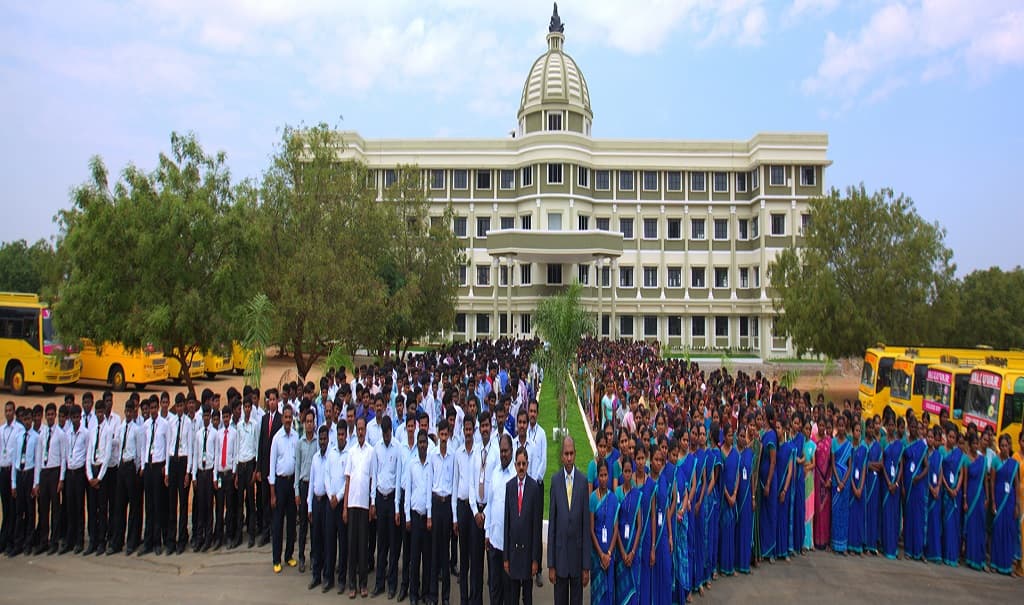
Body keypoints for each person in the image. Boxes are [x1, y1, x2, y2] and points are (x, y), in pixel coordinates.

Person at [548, 436, 591, 605]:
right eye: (566, 454)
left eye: (571, 453)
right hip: (559, 560)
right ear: (561, 455)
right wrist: (551, 564)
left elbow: (585, 525)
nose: (569, 457)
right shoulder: (555, 481)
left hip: (577, 560)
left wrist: (586, 566)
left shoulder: (582, 481)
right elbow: (552, 524)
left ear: (575, 454)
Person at [505, 446, 542, 605]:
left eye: (524, 464)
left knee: (527, 597)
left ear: (528, 464)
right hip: (513, 553)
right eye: (518, 464)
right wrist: (506, 557)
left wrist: (535, 560)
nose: (521, 467)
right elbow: (507, 524)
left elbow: (537, 528)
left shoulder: (534, 488)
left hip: (528, 555)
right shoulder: (510, 486)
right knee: (513, 597)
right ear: (515, 465)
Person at [371, 415, 402, 600]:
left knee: (393, 544)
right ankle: (379, 583)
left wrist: (397, 507)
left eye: (388, 433)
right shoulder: (376, 449)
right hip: (380, 500)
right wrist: (373, 503)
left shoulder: (397, 448)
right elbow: (374, 477)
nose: (386, 437)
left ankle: (392, 584)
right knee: (381, 544)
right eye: (384, 434)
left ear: (391, 430)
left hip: (392, 500)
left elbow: (398, 480)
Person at [344, 416, 375, 598]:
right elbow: (347, 480)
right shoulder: (351, 452)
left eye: (363, 429)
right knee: (351, 546)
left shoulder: (370, 452)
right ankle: (352, 584)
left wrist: (372, 504)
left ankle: (363, 583)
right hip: (352, 504)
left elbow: (372, 480)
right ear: (355, 430)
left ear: (366, 430)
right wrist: (345, 508)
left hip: (364, 505)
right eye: (359, 429)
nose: (361, 432)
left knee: (363, 546)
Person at [429, 419, 456, 605]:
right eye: (442, 435)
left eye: (446, 435)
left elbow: (454, 487)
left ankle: (445, 596)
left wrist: (454, 517)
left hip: (447, 506)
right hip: (436, 504)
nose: (444, 438)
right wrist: (429, 515)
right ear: (438, 435)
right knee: (434, 552)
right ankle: (432, 595)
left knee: (445, 553)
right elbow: (429, 486)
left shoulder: (453, 456)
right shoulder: (432, 455)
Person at [34, 402, 66, 555]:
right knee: (43, 508)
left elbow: (63, 458)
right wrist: (37, 481)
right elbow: (39, 457)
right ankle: (43, 541)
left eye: (53, 414)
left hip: (55, 471)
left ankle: (54, 541)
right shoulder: (43, 434)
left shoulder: (60, 433)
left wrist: (61, 479)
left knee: (55, 508)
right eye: (48, 415)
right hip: (44, 472)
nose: (50, 417)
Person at [486, 434, 515, 605]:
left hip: (509, 546)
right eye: (501, 451)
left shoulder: (515, 475)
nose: (503, 454)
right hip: (495, 542)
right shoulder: (495, 474)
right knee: (494, 586)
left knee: (509, 589)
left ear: (511, 451)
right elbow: (489, 504)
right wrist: (487, 534)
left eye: (506, 451)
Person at [269, 405, 298, 574]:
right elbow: (272, 467)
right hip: (279, 484)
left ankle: (289, 555)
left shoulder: (295, 437)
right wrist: (272, 493)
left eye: (290, 417)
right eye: (286, 417)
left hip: (292, 483)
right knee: (278, 523)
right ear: (282, 419)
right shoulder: (276, 439)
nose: (288, 420)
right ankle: (276, 559)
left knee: (292, 522)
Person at [406, 428, 434, 605]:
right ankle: (413, 594)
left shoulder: (431, 463)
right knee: (414, 558)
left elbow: (431, 491)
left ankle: (425, 593)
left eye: (425, 442)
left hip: (427, 519)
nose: (423, 445)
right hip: (415, 517)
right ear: (417, 445)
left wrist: (430, 516)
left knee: (427, 558)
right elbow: (408, 490)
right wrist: (407, 516)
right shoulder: (412, 464)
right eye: (420, 442)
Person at [166, 394, 194, 556]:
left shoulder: (189, 424)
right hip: (173, 461)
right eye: (177, 406)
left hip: (183, 462)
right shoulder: (171, 423)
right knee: (171, 504)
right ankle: (171, 540)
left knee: (183, 503)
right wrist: (168, 470)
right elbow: (170, 445)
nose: (179, 408)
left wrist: (188, 472)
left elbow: (190, 448)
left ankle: (182, 539)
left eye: (181, 405)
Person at [325, 420, 350, 594]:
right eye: (338, 434)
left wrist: (339, 497)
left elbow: (348, 480)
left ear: (346, 435)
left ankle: (342, 579)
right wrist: (330, 495)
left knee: (343, 544)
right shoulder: (331, 452)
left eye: (343, 434)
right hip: (330, 502)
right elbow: (326, 476)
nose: (340, 437)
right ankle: (329, 578)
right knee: (330, 542)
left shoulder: (350, 454)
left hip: (342, 504)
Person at [989, 433, 1019, 575]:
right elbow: (992, 482)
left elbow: (1016, 485)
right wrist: (993, 501)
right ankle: (995, 563)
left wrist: (1017, 505)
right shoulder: (995, 461)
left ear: (1010, 446)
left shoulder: (1014, 464)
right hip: (999, 497)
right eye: (1002, 446)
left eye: (1006, 445)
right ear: (999, 447)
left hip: (1010, 499)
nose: (1004, 448)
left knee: (1009, 531)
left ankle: (1007, 567)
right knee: (998, 531)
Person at [588, 458, 616, 605]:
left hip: (610, 554)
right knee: (597, 592)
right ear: (597, 476)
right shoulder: (592, 498)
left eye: (606, 475)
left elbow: (616, 529)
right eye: (601, 475)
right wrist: (601, 555)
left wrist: (609, 554)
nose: (604, 479)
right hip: (596, 554)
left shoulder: (613, 498)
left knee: (608, 591)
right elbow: (591, 530)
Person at [614, 456, 641, 605]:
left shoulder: (637, 494)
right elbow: (615, 524)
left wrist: (631, 552)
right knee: (620, 590)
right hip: (620, 549)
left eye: (630, 471)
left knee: (633, 589)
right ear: (622, 473)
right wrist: (623, 553)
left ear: (632, 472)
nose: (627, 474)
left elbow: (639, 526)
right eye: (625, 471)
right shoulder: (617, 493)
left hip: (632, 550)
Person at [307, 425, 331, 590]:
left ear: (328, 439)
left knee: (327, 540)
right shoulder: (315, 458)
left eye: (324, 439)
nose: (322, 442)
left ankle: (328, 577)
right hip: (316, 502)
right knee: (316, 540)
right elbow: (311, 482)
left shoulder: (332, 457)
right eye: (320, 439)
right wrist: (309, 505)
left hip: (327, 503)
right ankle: (316, 575)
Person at [294, 408, 318, 572]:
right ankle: (301, 556)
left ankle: (314, 556)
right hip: (303, 485)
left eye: (311, 421)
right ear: (304, 423)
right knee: (303, 524)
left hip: (314, 487)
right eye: (307, 421)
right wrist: (296, 491)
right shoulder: (299, 443)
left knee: (314, 525)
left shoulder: (318, 442)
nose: (309, 424)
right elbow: (297, 468)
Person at [901, 419, 928, 561]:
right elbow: (902, 464)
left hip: (918, 487)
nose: (913, 429)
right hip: (907, 483)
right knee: (908, 518)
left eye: (916, 427)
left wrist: (919, 477)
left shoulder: (922, 446)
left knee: (918, 518)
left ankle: (918, 551)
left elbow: (926, 466)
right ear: (908, 428)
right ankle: (908, 549)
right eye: (911, 426)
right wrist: (903, 486)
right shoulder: (905, 444)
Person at [213, 405, 238, 550]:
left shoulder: (234, 433)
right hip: (220, 474)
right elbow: (217, 454)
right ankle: (219, 537)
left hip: (229, 473)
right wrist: (215, 476)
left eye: (228, 417)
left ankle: (229, 535)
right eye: (224, 417)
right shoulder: (219, 434)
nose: (226, 419)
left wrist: (234, 472)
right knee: (219, 506)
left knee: (229, 507)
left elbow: (234, 454)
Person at [940, 426, 964, 567]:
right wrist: (948, 488)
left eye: (954, 438)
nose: (952, 439)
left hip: (956, 494)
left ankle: (952, 556)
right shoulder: (942, 451)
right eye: (950, 437)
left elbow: (961, 473)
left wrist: (956, 488)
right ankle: (944, 553)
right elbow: (940, 470)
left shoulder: (959, 454)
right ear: (946, 437)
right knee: (945, 523)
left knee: (954, 525)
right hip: (945, 492)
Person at [962, 432, 986, 571]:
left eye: (977, 443)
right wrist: (965, 498)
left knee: (980, 526)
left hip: (980, 495)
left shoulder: (982, 460)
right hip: (970, 494)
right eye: (974, 443)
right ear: (970, 445)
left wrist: (987, 497)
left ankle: (979, 558)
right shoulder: (966, 459)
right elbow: (965, 480)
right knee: (970, 526)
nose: (976, 445)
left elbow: (985, 482)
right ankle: (970, 557)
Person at [880, 418, 903, 559]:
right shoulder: (883, 442)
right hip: (885, 482)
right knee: (886, 514)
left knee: (895, 515)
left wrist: (896, 483)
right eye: (889, 425)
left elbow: (901, 465)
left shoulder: (900, 444)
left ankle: (893, 548)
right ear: (886, 426)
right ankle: (885, 546)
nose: (891, 427)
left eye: (893, 425)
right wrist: (889, 482)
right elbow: (881, 462)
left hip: (896, 485)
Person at [719, 424, 739, 575]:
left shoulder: (736, 453)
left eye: (733, 435)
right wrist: (727, 496)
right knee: (723, 532)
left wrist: (734, 495)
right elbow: (720, 478)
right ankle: (722, 565)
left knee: (731, 532)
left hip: (733, 497)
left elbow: (738, 475)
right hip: (723, 497)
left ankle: (730, 566)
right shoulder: (720, 453)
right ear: (724, 436)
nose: (731, 438)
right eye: (729, 435)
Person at [758, 410, 777, 560]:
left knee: (770, 514)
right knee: (763, 515)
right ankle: (763, 547)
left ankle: (770, 549)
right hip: (761, 478)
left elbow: (773, 461)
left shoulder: (771, 436)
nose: (762, 420)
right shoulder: (764, 434)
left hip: (769, 479)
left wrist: (769, 483)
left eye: (764, 417)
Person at [736, 425, 755, 574]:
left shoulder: (750, 453)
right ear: (737, 437)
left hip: (748, 495)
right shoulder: (734, 453)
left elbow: (753, 477)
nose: (743, 438)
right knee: (737, 530)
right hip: (736, 497)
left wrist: (754, 496)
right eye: (740, 436)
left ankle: (745, 563)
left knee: (746, 528)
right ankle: (736, 561)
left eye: (745, 436)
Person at [847, 420, 866, 555]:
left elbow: (864, 468)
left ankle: (858, 545)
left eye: (860, 431)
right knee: (851, 517)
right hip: (851, 486)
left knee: (859, 517)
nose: (858, 433)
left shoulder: (864, 449)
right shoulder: (849, 448)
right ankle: (850, 544)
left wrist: (860, 487)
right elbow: (849, 468)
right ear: (852, 431)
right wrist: (854, 487)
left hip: (861, 487)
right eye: (856, 430)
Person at [864, 419, 882, 555]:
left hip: (874, 481)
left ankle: (871, 544)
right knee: (864, 510)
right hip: (864, 481)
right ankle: (863, 542)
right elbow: (861, 464)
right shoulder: (862, 444)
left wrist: (870, 465)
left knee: (873, 511)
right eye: (869, 427)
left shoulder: (877, 445)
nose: (870, 430)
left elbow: (881, 465)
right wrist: (869, 465)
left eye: (872, 428)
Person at [813, 417, 832, 550]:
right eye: (819, 425)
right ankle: (816, 540)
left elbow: (831, 462)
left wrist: (829, 479)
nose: (821, 427)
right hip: (816, 479)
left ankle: (824, 540)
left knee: (825, 511)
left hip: (826, 480)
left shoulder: (829, 441)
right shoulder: (814, 440)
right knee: (816, 510)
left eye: (823, 425)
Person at [801, 418, 816, 553]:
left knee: (809, 510)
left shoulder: (812, 445)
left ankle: (808, 541)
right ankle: (802, 540)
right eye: (806, 428)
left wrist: (807, 467)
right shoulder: (800, 443)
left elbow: (814, 463)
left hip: (809, 478)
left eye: (809, 429)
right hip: (801, 477)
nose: (807, 431)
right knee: (802, 509)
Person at [1014, 431, 1024, 577]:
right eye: (1023, 440)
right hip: (1019, 495)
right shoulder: (1015, 457)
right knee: (1019, 530)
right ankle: (1017, 564)